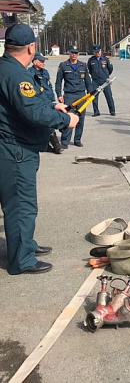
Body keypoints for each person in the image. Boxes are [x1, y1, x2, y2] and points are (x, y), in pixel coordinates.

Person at [0, 24, 79, 274]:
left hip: (15, 148)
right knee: (21, 205)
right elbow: (33, 112)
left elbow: (29, 104)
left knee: (21, 204)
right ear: (31, 47)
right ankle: (22, 260)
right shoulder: (15, 75)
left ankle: (26, 244)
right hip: (15, 151)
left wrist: (52, 108)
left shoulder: (9, 69)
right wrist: (67, 120)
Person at [55, 45, 92, 149]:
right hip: (69, 95)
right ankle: (65, 142)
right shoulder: (63, 65)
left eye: (76, 53)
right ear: (68, 52)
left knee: (81, 118)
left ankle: (77, 140)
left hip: (81, 95)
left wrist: (90, 94)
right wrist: (59, 95)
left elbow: (88, 81)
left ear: (78, 54)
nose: (74, 54)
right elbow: (58, 82)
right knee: (69, 118)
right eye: (72, 52)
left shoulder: (83, 65)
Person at [29, 52, 63, 154]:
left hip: (49, 101)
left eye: (44, 61)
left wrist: (53, 98)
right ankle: (56, 146)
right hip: (40, 102)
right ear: (35, 62)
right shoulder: (30, 73)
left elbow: (49, 86)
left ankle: (47, 145)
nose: (44, 63)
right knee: (46, 124)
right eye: (41, 61)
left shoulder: (45, 72)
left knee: (48, 123)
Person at [87, 44, 115, 116]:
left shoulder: (105, 59)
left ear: (101, 51)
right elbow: (89, 70)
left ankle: (112, 111)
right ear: (93, 52)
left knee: (109, 96)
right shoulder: (91, 60)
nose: (97, 53)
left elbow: (110, 68)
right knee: (94, 97)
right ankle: (96, 112)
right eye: (96, 52)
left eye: (98, 51)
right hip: (95, 81)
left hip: (105, 81)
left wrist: (106, 75)